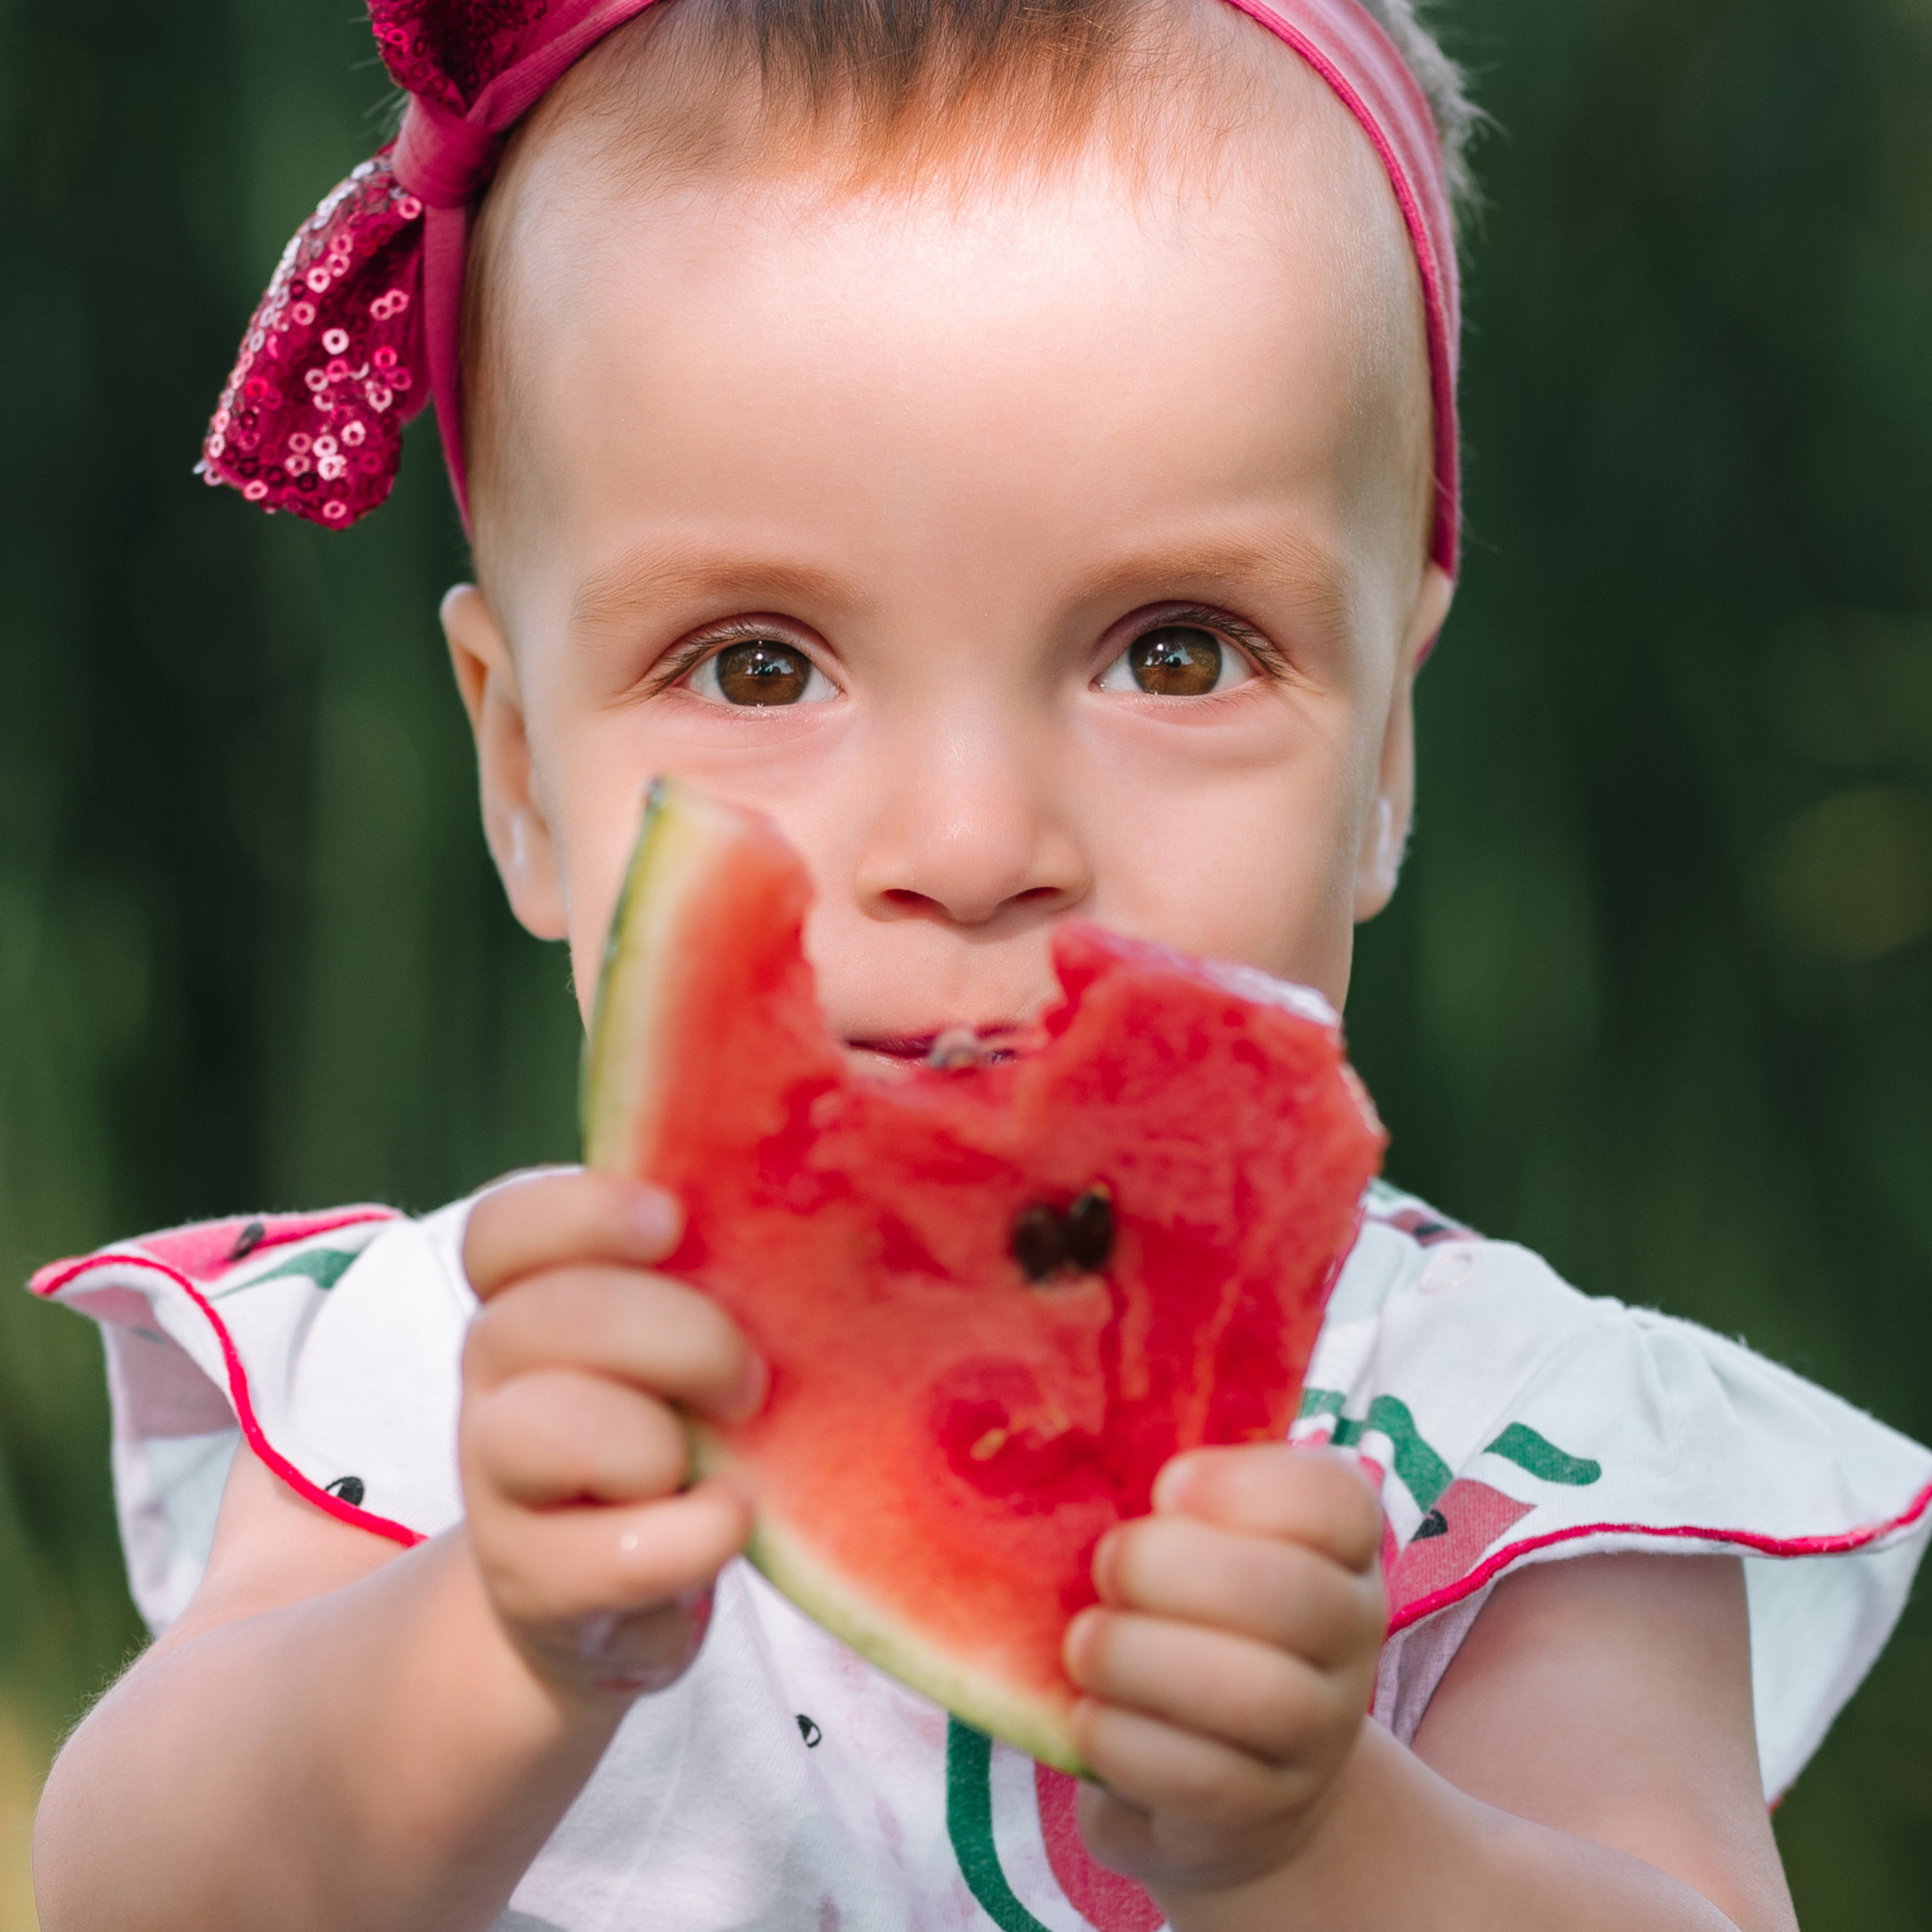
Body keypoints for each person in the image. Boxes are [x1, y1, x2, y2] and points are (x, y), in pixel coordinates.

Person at [26, 1, 1932, 1927]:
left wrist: (1329, 1837)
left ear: (1382, 760)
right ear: (519, 773)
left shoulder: (1510, 1462)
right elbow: (125, 1893)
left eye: (1171, 650)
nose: (968, 840)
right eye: (756, 664)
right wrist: (489, 1641)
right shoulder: (448, 1390)